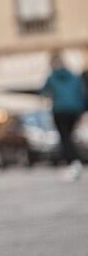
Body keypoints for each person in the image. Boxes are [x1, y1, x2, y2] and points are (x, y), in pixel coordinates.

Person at [41, 52, 86, 181]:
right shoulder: (73, 76)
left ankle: (73, 163)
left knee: (65, 138)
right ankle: (76, 162)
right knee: (70, 137)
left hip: (60, 110)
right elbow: (81, 92)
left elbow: (44, 91)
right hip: (75, 110)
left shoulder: (52, 77)